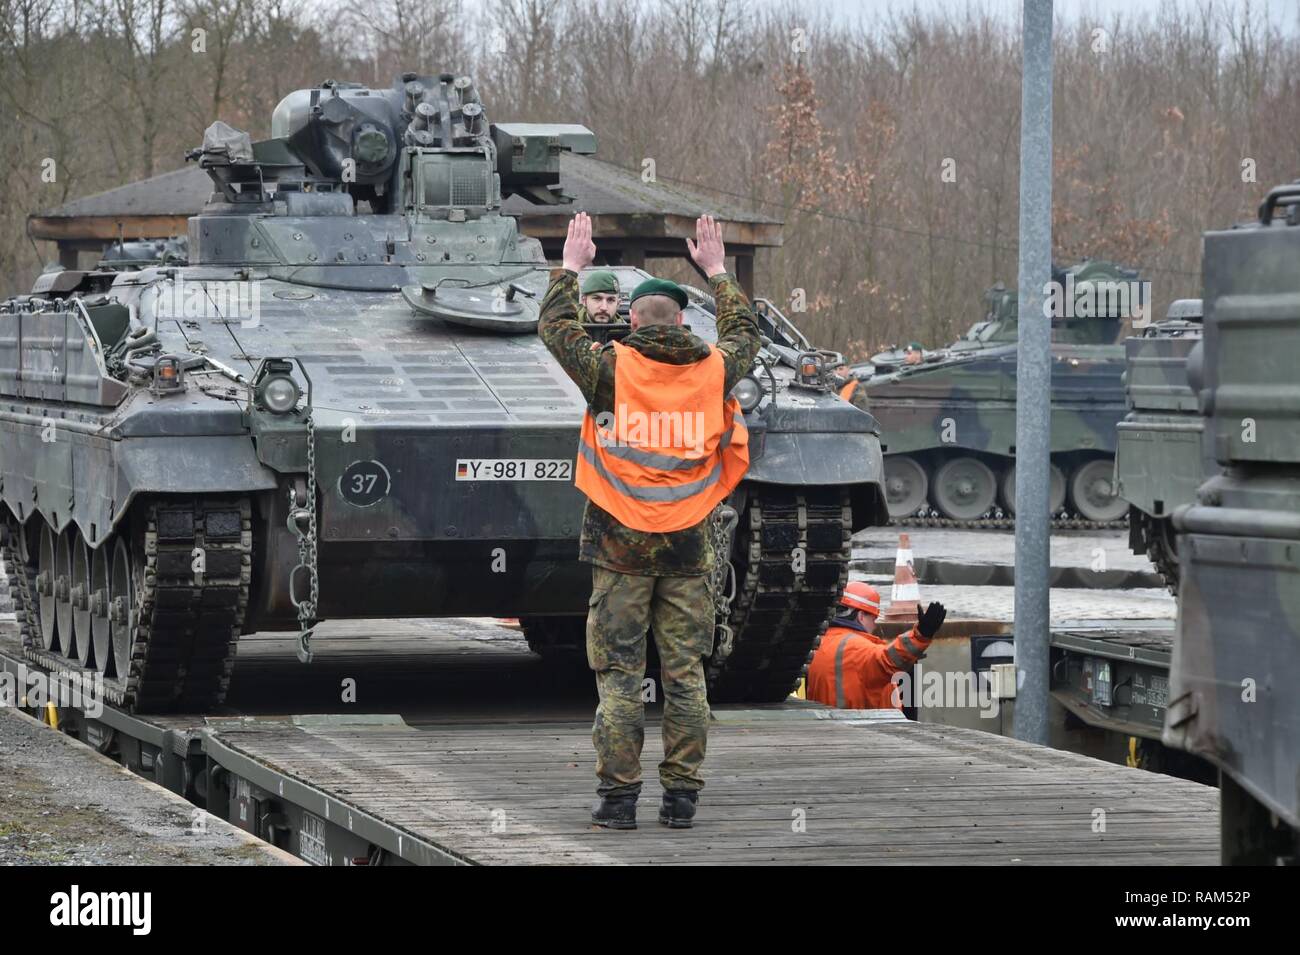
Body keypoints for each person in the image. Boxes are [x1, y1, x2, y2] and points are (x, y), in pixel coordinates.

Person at [538, 212, 760, 830]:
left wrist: (572, 266)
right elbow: (746, 331)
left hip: (619, 548)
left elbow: (554, 326)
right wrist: (716, 270)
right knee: (686, 676)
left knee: (619, 677)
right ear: (684, 322)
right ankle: (682, 799)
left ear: (630, 319)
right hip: (689, 547)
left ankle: (617, 802)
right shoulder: (715, 370)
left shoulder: (610, 370)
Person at [806, 582, 947, 710]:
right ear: (861, 615)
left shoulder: (817, 643)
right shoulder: (856, 647)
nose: (874, 625)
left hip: (829, 730)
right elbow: (888, 660)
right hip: (865, 732)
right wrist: (920, 635)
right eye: (873, 618)